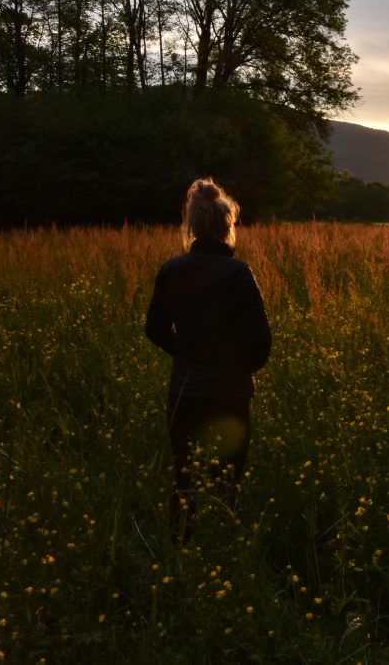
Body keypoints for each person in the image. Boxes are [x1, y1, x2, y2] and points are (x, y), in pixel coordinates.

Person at [145, 177, 272, 540]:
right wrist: (242, 368)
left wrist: (184, 353)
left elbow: (154, 328)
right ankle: (223, 548)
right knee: (227, 482)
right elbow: (261, 337)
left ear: (193, 226)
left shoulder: (171, 269)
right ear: (226, 226)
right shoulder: (237, 272)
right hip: (230, 393)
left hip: (184, 391)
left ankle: (179, 550)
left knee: (184, 480)